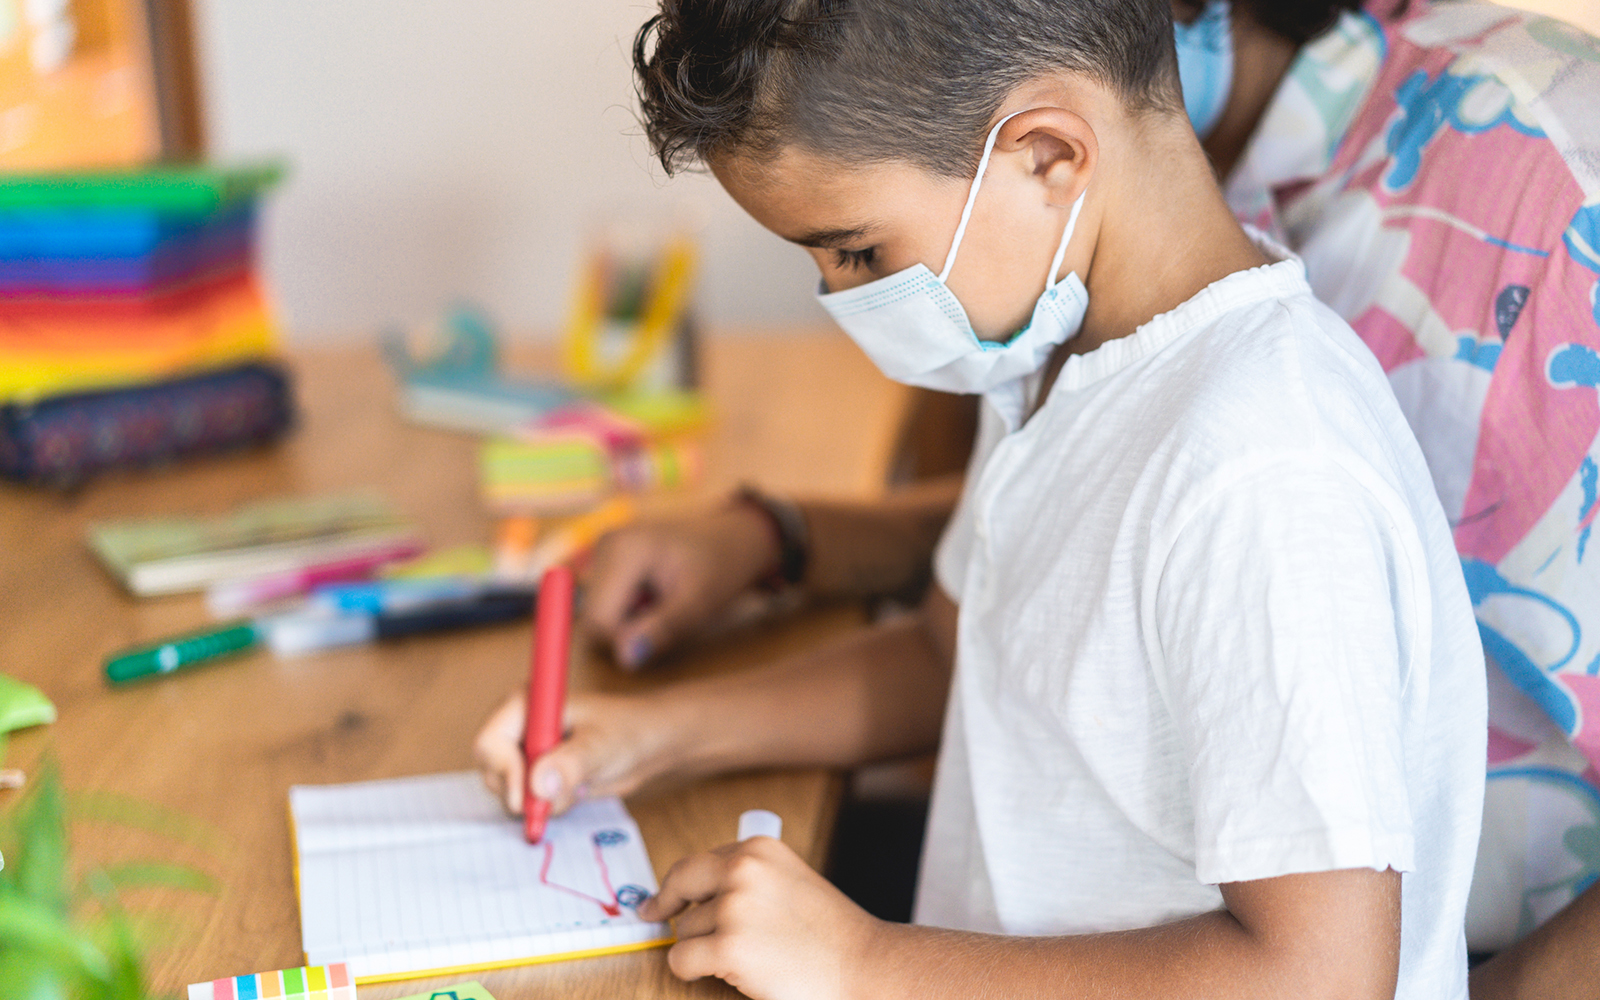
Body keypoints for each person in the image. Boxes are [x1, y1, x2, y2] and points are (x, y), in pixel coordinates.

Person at [556, 3, 1600, 995]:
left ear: (1049, 156)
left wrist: (865, 965)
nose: (842, 297)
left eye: (858, 249)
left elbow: (1316, 976)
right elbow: (949, 654)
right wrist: (653, 736)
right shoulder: (1053, 359)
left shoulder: (1264, 467)